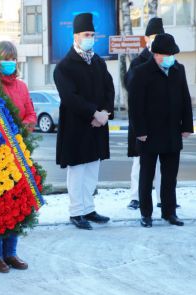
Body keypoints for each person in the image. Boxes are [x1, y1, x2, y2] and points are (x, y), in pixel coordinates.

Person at [0, 40, 36, 273]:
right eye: (5, 58)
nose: (9, 63)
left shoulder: (21, 87)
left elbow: (31, 113)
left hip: (19, 153)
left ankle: (10, 253)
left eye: (12, 58)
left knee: (16, 204)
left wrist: (25, 125)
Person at [53, 13, 114, 230]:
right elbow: (70, 97)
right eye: (86, 34)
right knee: (77, 171)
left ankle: (89, 208)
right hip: (76, 128)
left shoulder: (97, 61)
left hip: (97, 127)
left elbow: (109, 88)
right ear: (76, 36)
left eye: (92, 34)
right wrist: (93, 114)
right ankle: (76, 211)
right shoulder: (64, 66)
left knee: (92, 169)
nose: (90, 38)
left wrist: (105, 113)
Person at [128, 34, 193, 228]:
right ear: (156, 54)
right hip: (148, 133)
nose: (171, 57)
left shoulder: (178, 69)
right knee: (146, 177)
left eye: (173, 54)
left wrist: (187, 126)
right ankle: (146, 214)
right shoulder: (141, 72)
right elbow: (135, 105)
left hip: (172, 132)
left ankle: (169, 212)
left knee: (170, 176)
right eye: (168, 54)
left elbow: (185, 99)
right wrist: (139, 130)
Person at [125, 17, 165, 211]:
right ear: (147, 38)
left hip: (163, 121)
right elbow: (130, 87)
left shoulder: (168, 60)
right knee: (139, 162)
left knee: (162, 163)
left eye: (160, 35)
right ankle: (136, 197)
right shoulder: (138, 61)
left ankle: (162, 197)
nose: (156, 39)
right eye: (154, 36)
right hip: (143, 121)